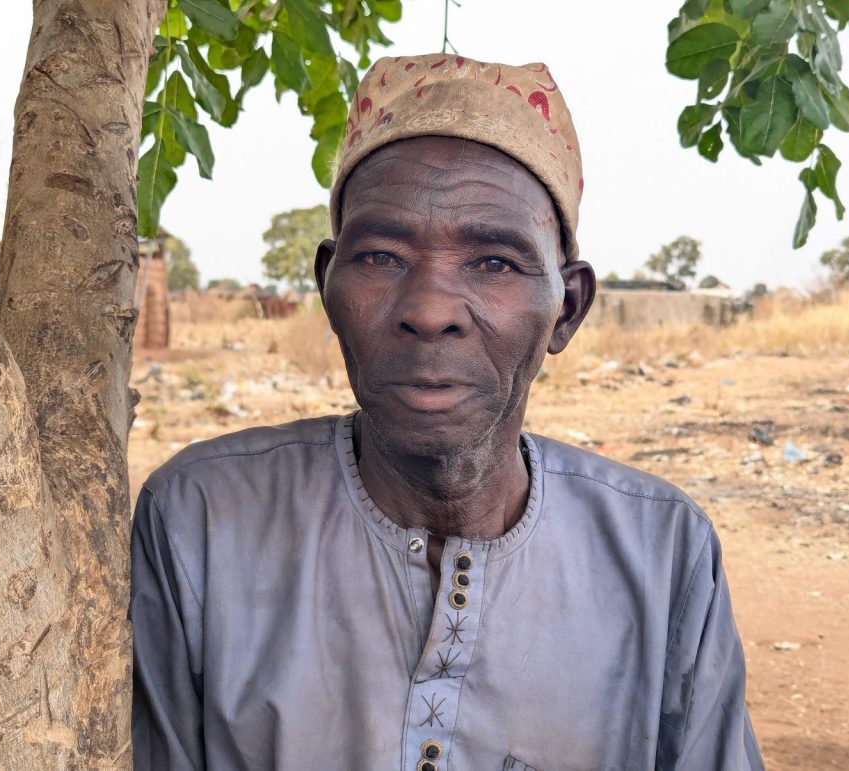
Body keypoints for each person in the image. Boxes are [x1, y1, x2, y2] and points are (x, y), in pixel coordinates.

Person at [130, 53, 764, 770]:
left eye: (494, 262)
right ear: (327, 286)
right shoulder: (199, 522)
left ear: (568, 308)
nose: (429, 311)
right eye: (380, 257)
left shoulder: (664, 553)